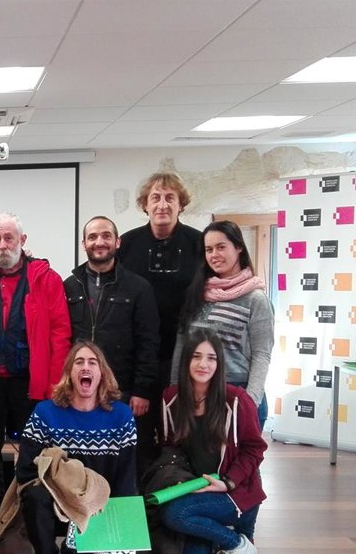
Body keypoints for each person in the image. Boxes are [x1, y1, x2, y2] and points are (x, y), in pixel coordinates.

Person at [0, 212, 71, 553]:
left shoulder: (47, 278)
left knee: (36, 458)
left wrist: (55, 386)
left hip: (31, 385)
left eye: (9, 238)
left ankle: (37, 526)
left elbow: (60, 333)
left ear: (23, 240)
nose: (3, 245)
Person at [14, 342, 138, 554]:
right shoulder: (45, 413)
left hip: (100, 515)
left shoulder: (122, 416)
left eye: (93, 362)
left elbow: (126, 482)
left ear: (102, 373)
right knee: (34, 495)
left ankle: (84, 552)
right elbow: (26, 470)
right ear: (69, 373)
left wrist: (121, 545)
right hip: (57, 507)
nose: (85, 367)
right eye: (79, 362)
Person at [159, 329, 267, 554]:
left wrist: (228, 482)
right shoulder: (171, 398)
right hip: (197, 491)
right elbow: (169, 446)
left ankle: (237, 544)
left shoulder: (237, 400)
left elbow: (255, 448)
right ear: (186, 360)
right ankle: (223, 538)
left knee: (175, 515)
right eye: (196, 356)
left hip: (235, 493)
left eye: (211, 358)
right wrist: (178, 478)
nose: (203, 364)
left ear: (219, 364)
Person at [116, 173, 204, 463]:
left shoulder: (198, 243)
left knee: (180, 433)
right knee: (139, 437)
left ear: (181, 204)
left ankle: (176, 486)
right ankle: (143, 489)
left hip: (184, 357)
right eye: (155, 197)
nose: (162, 204)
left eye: (170, 198)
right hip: (138, 358)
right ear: (145, 204)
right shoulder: (127, 244)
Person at [64, 215, 160, 477]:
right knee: (83, 462)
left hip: (123, 392)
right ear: (84, 244)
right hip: (81, 391)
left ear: (117, 242)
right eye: (93, 237)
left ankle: (126, 505)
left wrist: (142, 390)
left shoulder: (138, 287)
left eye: (106, 236)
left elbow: (149, 341)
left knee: (126, 463)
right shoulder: (69, 287)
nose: (99, 242)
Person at [173, 221, 273, 428]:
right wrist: (175, 390)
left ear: (238, 247)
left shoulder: (255, 299)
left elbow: (262, 354)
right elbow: (181, 345)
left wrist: (249, 402)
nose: (214, 255)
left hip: (237, 392)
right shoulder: (197, 294)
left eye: (221, 247)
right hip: (197, 395)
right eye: (209, 249)